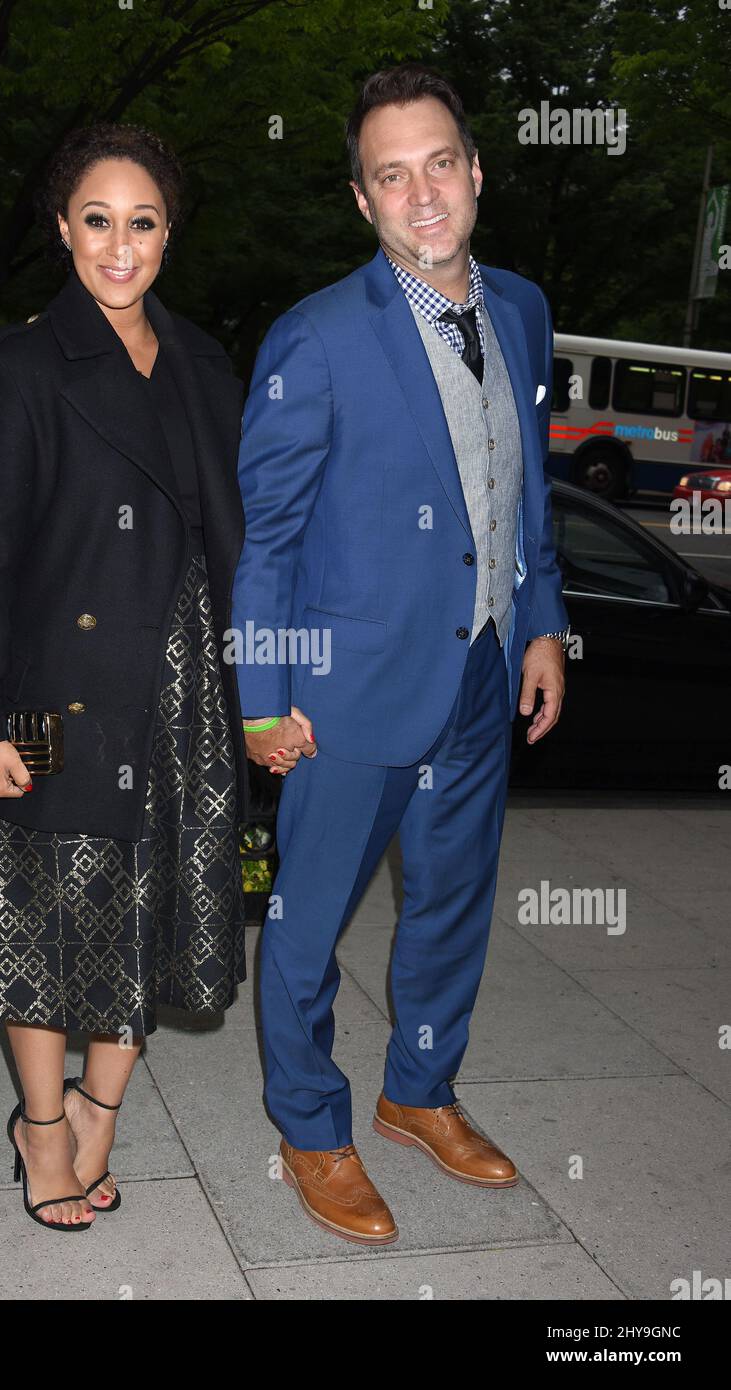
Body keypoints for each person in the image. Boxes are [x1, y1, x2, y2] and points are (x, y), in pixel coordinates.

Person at [231, 64, 568, 1245]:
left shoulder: (521, 308)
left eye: (439, 163)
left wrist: (536, 625)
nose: (421, 193)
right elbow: (264, 541)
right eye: (391, 174)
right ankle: (313, 1125)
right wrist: (262, 699)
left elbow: (526, 495)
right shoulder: (314, 337)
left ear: (474, 172)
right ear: (363, 201)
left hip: (479, 672)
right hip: (343, 695)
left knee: (452, 904)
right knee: (310, 922)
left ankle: (417, 1091)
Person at [0, 122, 249, 1232]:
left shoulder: (205, 363)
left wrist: (277, 687)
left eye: (144, 221)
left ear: (170, 232)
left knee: (145, 914)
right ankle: (41, 1125)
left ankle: (97, 1114)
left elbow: (243, 542)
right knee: (44, 918)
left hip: (185, 693)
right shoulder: (20, 363)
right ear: (64, 228)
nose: (121, 245)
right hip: (53, 687)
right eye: (98, 220)